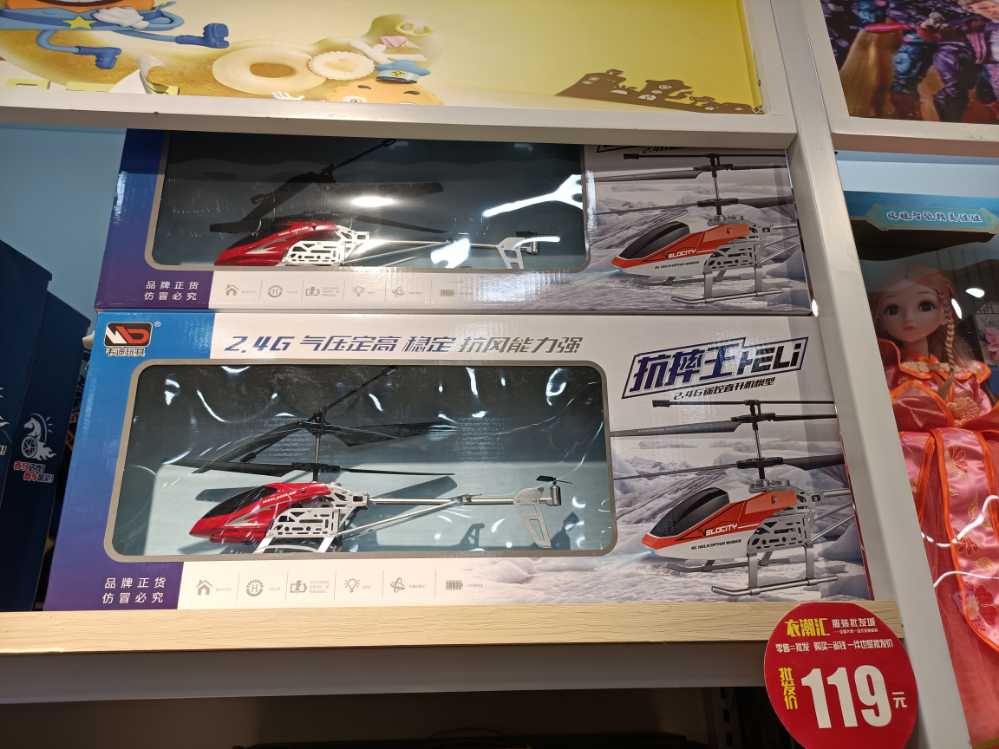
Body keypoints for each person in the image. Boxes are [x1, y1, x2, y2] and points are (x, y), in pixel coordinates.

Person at [871, 265, 999, 747]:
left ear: (944, 313)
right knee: (937, 590)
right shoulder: (883, 374)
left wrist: (958, 430)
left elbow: (986, 425)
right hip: (925, 505)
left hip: (973, 500)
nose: (908, 319)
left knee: (977, 584)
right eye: (893, 309)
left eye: (924, 306)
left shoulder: (966, 375)